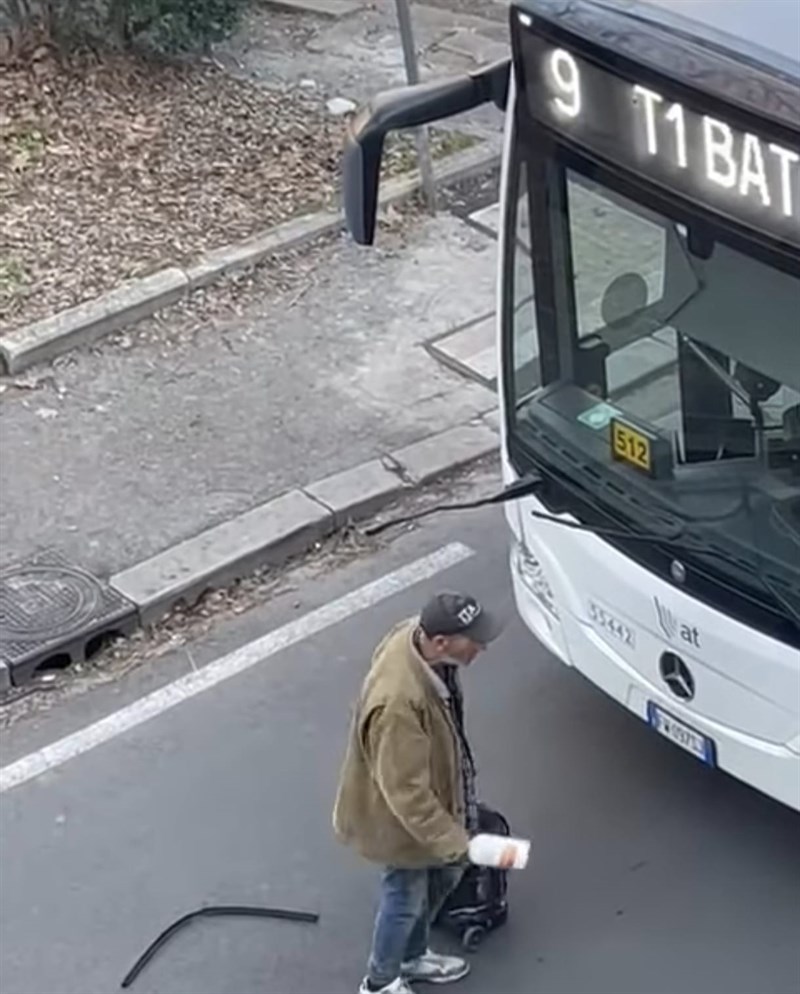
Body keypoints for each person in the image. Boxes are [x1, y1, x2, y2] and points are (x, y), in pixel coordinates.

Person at [332, 591, 506, 994]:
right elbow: (407, 794)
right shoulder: (398, 705)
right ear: (442, 642)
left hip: (430, 810)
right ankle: (381, 982)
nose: (481, 646)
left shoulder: (418, 640)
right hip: (400, 824)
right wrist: (458, 844)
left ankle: (411, 957)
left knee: (436, 881)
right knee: (405, 895)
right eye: (474, 639)